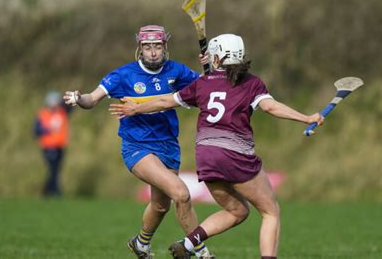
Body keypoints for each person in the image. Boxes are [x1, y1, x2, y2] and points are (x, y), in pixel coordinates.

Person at [109, 33, 324, 259]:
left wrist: (136, 108)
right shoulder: (251, 83)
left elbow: (166, 101)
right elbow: (271, 107)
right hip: (236, 156)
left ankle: (191, 243)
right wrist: (306, 117)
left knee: (238, 210)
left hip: (207, 158)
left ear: (218, 58)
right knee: (270, 211)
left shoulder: (203, 83)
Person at [63, 25, 214, 259]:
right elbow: (92, 99)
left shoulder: (177, 71)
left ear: (165, 47)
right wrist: (78, 98)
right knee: (181, 193)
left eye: (157, 46)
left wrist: (209, 69)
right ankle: (201, 251)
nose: (152, 52)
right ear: (139, 48)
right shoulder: (124, 75)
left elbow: (207, 90)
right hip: (137, 147)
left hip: (169, 146)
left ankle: (141, 244)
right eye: (147, 47)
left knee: (160, 205)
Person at [34, 90, 71, 197]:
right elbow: (36, 131)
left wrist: (64, 100)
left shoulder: (61, 112)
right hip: (48, 147)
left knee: (55, 170)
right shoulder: (43, 114)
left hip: (60, 146)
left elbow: (71, 107)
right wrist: (47, 130)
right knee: (53, 170)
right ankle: (56, 192)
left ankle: (46, 191)